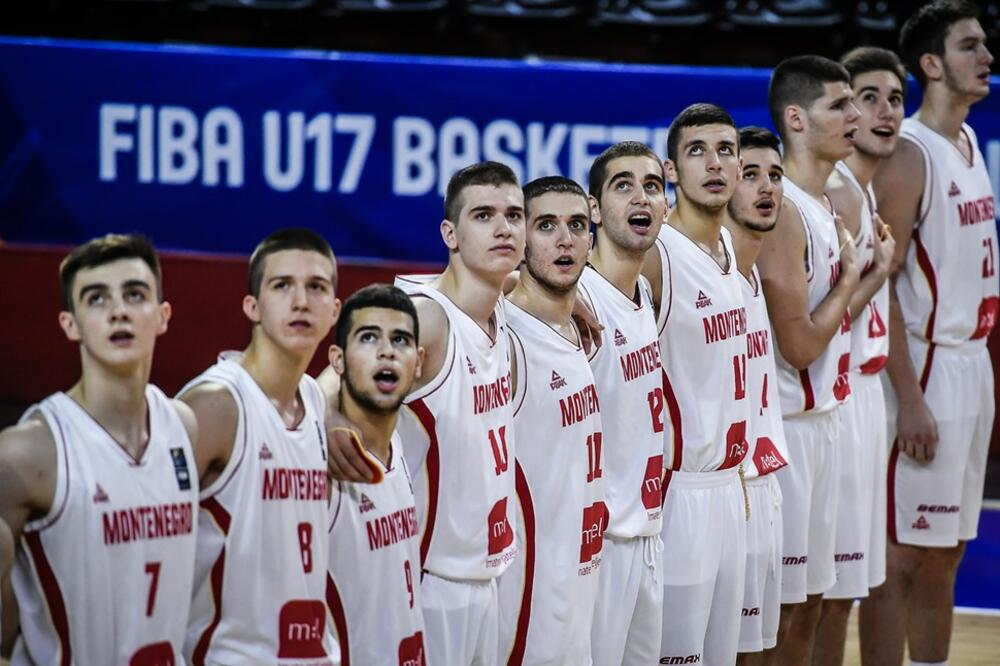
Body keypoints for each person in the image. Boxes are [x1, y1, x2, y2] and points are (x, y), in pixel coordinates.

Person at [0, 234, 199, 664]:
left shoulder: (183, 426)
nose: (118, 311)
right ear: (70, 324)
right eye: (96, 299)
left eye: (134, 294)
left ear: (163, 316)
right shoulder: (27, 452)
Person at [867, 3, 997, 664]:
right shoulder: (910, 157)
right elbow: (882, 285)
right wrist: (910, 397)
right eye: (970, 46)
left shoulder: (969, 143)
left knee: (948, 550)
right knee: (901, 555)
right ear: (931, 64)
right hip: (926, 366)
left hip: (973, 362)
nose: (987, 57)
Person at [179, 228, 341, 664]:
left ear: (334, 311)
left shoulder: (313, 400)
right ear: (252, 306)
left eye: (316, 287)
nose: (301, 301)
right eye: (282, 285)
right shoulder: (215, 405)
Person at [392, 161, 525, 665]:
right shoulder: (425, 317)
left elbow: (520, 280)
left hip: (487, 578)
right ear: (450, 232)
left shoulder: (499, 308)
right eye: (485, 215)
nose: (504, 227)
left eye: (514, 215)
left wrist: (573, 299)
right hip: (429, 583)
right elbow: (338, 382)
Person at [640, 104, 751, 665]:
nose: (714, 163)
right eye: (697, 151)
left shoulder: (727, 247)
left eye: (725, 150)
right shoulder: (654, 254)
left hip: (731, 489)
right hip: (678, 497)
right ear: (671, 171)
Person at [761, 55, 861, 664]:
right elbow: (797, 346)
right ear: (796, 118)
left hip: (825, 421)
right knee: (783, 611)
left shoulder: (824, 200)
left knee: (813, 601)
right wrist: (854, 278)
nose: (855, 116)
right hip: (789, 435)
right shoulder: (784, 211)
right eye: (839, 105)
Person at [814, 46, 904, 665]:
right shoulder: (840, 194)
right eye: (861, 98)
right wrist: (880, 274)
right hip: (838, 395)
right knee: (829, 589)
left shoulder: (861, 193)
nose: (877, 112)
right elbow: (823, 323)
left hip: (868, 394)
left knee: (851, 581)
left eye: (893, 99)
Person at [497, 176, 606, 665]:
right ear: (519, 238)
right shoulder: (500, 334)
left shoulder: (580, 325)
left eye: (576, 225)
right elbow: (421, 312)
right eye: (546, 225)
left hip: (581, 580)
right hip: (527, 595)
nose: (565, 239)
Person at [582, 141, 667, 665]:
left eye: (652, 186)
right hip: (598, 547)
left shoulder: (644, 296)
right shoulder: (571, 300)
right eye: (623, 185)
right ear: (594, 209)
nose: (641, 197)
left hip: (647, 535)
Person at [325, 284, 427, 666]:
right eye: (369, 338)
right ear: (337, 360)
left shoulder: (403, 444)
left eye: (399, 340)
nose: (386, 350)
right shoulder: (322, 466)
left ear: (418, 362)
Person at [723, 126, 792, 665]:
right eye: (751, 175)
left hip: (765, 481)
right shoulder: (684, 267)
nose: (767, 187)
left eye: (775, 176)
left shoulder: (749, 275)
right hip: (720, 492)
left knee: (764, 648)